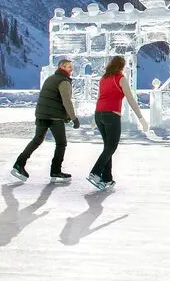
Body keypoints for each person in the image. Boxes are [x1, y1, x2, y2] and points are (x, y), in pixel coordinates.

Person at [87, 55, 150, 190]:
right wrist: (141, 118)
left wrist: (94, 118)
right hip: (112, 115)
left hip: (99, 114)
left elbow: (99, 97)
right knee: (111, 147)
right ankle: (95, 172)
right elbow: (131, 99)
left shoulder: (103, 79)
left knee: (107, 147)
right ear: (121, 66)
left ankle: (107, 178)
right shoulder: (120, 79)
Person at [12, 59, 80, 183]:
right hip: (54, 117)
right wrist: (73, 118)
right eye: (68, 66)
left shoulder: (51, 79)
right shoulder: (64, 81)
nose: (71, 69)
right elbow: (67, 101)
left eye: (71, 66)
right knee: (61, 143)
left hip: (42, 115)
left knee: (37, 140)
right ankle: (55, 170)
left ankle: (19, 163)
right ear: (61, 67)